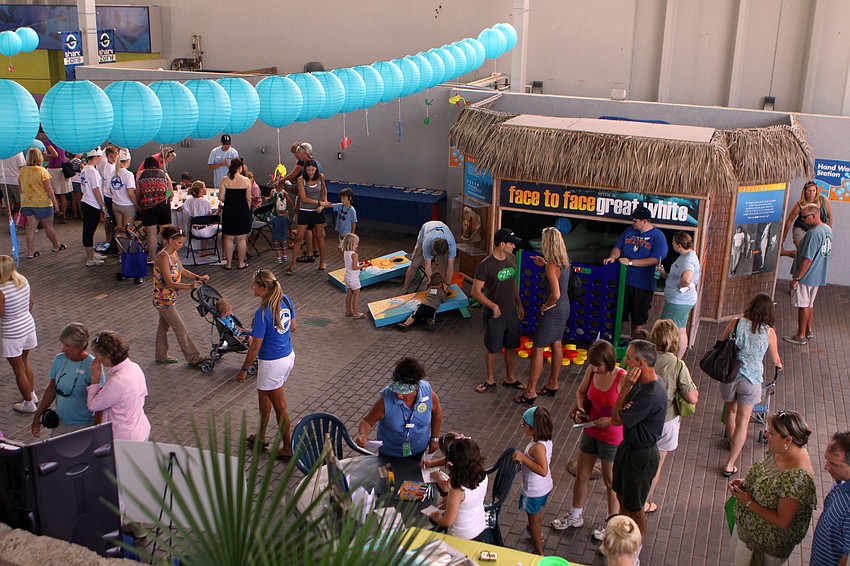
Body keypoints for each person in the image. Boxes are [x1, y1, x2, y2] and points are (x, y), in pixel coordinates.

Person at [552, 340, 625, 541]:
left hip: (612, 436)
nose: (594, 368)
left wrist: (610, 420)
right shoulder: (592, 372)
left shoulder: (622, 377)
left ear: (609, 361)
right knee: (582, 475)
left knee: (611, 482)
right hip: (591, 430)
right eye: (592, 364)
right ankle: (575, 515)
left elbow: (630, 410)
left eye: (598, 365)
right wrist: (580, 408)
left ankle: (611, 522)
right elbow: (581, 392)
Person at [727, 411, 816, 566]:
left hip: (763, 545)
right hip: (748, 530)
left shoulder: (797, 479)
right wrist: (746, 482)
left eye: (771, 433)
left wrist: (748, 502)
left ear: (788, 439)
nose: (766, 434)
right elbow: (766, 473)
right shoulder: (780, 450)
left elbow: (783, 521)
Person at [610, 339, 667, 552]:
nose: (625, 362)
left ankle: (635, 550)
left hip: (642, 456)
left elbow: (617, 418)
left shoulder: (650, 393)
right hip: (628, 448)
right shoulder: (642, 384)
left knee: (635, 508)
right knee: (621, 496)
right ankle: (625, 538)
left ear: (641, 363)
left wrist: (625, 388)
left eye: (629, 359)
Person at [721, 293, 783, 477]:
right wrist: (779, 364)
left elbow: (723, 341)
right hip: (752, 380)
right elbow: (775, 358)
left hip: (730, 375)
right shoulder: (769, 332)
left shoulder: (736, 322)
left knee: (730, 411)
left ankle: (733, 442)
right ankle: (730, 463)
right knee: (743, 421)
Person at [238, 269, 296, 460]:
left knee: (280, 406)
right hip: (287, 355)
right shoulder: (285, 299)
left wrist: (244, 370)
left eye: (253, 285)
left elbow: (255, 348)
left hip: (272, 363)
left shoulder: (262, 312)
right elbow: (292, 327)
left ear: (262, 289)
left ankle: (287, 447)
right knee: (264, 395)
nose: (251, 288)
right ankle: (261, 436)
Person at [643, 319, 699, 513]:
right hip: (666, 423)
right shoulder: (678, 365)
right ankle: (644, 503)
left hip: (641, 420)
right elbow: (692, 398)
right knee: (655, 466)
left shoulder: (644, 358)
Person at [355, 357, 443, 460]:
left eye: (404, 392)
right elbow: (367, 421)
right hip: (390, 455)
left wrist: (434, 438)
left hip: (419, 450)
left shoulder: (427, 393)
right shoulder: (385, 400)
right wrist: (363, 434)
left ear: (415, 387)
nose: (399, 395)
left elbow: (437, 413)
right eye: (396, 390)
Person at [472, 228, 525, 394]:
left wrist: (519, 304)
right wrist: (493, 306)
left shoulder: (511, 258)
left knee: (511, 346)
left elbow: (512, 282)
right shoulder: (485, 265)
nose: (514, 247)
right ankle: (490, 380)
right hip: (495, 314)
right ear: (502, 244)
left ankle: (510, 378)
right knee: (493, 348)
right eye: (511, 243)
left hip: (510, 312)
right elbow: (475, 292)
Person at [603, 206, 668, 338]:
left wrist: (631, 262)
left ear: (644, 221)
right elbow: (617, 247)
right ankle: (612, 340)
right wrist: (613, 257)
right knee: (617, 313)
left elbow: (655, 259)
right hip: (623, 282)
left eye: (635, 220)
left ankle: (635, 343)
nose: (632, 223)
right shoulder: (629, 231)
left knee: (638, 318)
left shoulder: (658, 236)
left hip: (643, 286)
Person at [523, 227, 572, 400]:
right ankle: (553, 383)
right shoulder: (564, 261)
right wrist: (543, 264)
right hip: (565, 307)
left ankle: (530, 391)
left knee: (537, 349)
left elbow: (555, 294)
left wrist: (546, 306)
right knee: (556, 343)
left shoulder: (552, 265)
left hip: (554, 309)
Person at [31, 323, 105, 438]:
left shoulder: (93, 367)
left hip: (83, 427)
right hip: (60, 423)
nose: (63, 349)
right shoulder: (59, 359)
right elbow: (52, 388)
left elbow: (100, 402)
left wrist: (95, 430)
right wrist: (38, 415)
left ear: (82, 347)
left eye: (68, 347)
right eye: (63, 345)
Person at [152, 226, 210, 366]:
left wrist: (198, 277)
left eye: (182, 242)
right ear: (171, 240)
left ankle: (161, 355)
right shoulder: (163, 257)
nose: (181, 245)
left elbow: (181, 269)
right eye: (179, 242)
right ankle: (193, 357)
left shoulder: (173, 253)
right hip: (163, 300)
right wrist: (190, 286)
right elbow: (169, 282)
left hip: (170, 298)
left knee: (163, 326)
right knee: (180, 327)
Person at [86, 331, 151, 442]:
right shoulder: (135, 367)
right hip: (141, 429)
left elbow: (93, 405)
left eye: (97, 355)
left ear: (107, 356)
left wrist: (95, 380)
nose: (97, 359)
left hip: (124, 439)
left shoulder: (117, 382)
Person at [784, 202, 832, 345]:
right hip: (818, 274)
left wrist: (797, 278)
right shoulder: (827, 229)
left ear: (814, 216)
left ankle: (800, 335)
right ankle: (808, 330)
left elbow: (807, 260)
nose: (802, 220)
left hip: (807, 276)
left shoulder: (813, 234)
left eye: (804, 217)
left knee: (803, 305)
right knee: (810, 304)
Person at [0, 255, 39, 413]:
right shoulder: (23, 280)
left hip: (11, 333)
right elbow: (31, 303)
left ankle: (29, 403)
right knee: (25, 361)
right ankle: (31, 394)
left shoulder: (1, 289)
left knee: (18, 369)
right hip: (28, 327)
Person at [429, 436, 489, 541]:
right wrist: (453, 502)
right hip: (480, 528)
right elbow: (476, 498)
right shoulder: (483, 476)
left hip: (460, 537)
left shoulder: (457, 489)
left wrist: (436, 517)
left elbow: (448, 521)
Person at [514, 406, 553, 556]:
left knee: (533, 519)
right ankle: (536, 532)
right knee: (536, 514)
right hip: (544, 487)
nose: (523, 427)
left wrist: (523, 459)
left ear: (534, 428)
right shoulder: (545, 440)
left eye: (524, 425)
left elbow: (542, 470)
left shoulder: (537, 447)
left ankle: (539, 552)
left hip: (534, 490)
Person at [810, 431, 850, 566]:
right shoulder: (841, 482)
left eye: (834, 464)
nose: (826, 467)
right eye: (827, 460)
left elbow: (847, 556)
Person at [659, 231, 701, 357]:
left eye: (673, 242)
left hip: (679, 301)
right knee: (681, 329)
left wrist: (681, 285)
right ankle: (677, 359)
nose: (672, 244)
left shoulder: (688, 260)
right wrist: (665, 275)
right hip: (680, 300)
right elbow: (679, 276)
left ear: (678, 245)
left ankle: (674, 358)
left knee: (670, 329)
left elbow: (687, 278)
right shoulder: (686, 256)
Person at [17, 147, 64, 258]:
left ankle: (30, 252)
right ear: (39, 157)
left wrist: (22, 201)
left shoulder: (22, 171)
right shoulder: (42, 171)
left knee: (31, 228)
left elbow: (20, 188)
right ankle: (56, 245)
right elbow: (49, 189)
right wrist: (55, 203)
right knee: (48, 226)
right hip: (42, 202)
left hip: (27, 202)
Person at [286, 159, 330, 274]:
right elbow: (304, 198)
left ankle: (322, 261)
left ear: (316, 169)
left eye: (312, 170)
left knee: (319, 237)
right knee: (299, 238)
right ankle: (293, 264)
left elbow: (324, 190)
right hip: (305, 211)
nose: (310, 172)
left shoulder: (321, 177)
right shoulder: (301, 180)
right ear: (305, 169)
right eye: (308, 170)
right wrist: (319, 203)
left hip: (317, 212)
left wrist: (324, 202)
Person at [402, 220, 457, 294]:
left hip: (443, 230)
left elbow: (450, 266)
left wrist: (447, 284)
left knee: (443, 267)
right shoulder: (427, 242)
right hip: (427, 229)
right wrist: (431, 282)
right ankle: (405, 289)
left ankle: (440, 289)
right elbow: (427, 265)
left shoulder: (451, 243)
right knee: (414, 265)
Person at [781, 180, 833, 255]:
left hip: (817, 230)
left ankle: (785, 253)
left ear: (816, 191)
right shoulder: (800, 204)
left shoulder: (823, 200)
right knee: (804, 253)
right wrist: (782, 240)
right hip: (801, 229)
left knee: (814, 255)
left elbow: (830, 217)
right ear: (805, 191)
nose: (811, 193)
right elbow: (789, 221)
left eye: (813, 191)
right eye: (809, 191)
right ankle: (784, 253)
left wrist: (828, 234)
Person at [137, 156, 173, 262]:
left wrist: (140, 204)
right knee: (165, 233)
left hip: (147, 207)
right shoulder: (164, 174)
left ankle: (152, 258)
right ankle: (167, 258)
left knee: (151, 235)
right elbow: (170, 191)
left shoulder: (140, 175)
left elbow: (139, 193)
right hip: (163, 205)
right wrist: (166, 199)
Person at [219, 158, 253, 270]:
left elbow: (221, 197)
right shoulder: (246, 180)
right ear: (240, 167)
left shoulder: (225, 180)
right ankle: (241, 263)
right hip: (242, 211)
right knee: (241, 238)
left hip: (229, 211)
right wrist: (247, 211)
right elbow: (248, 199)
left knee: (228, 238)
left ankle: (228, 264)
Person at [79, 147, 108, 267]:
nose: (101, 159)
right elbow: (96, 190)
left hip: (86, 201)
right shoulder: (92, 171)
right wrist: (103, 206)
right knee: (89, 231)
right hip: (92, 203)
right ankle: (90, 258)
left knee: (89, 230)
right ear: (95, 157)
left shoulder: (85, 169)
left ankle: (91, 253)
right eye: (100, 157)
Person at [341, 233, 369, 319]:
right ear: (353, 244)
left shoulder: (346, 252)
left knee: (349, 293)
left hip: (347, 276)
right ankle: (356, 313)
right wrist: (362, 266)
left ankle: (348, 311)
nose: (358, 245)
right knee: (356, 294)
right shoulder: (354, 255)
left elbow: (351, 265)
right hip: (353, 278)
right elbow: (355, 267)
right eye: (357, 244)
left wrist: (358, 264)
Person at [109, 148, 137, 231]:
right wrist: (136, 204)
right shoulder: (128, 174)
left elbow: (110, 190)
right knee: (127, 231)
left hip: (116, 204)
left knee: (119, 230)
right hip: (127, 205)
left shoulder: (112, 173)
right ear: (128, 160)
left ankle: (119, 244)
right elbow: (130, 193)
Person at [269, 180, 294, 264]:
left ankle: (289, 233)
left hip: (283, 211)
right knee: (276, 224)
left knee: (285, 223)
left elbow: (289, 200)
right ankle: (284, 255)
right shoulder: (273, 191)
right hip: (274, 210)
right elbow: (271, 199)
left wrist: (294, 208)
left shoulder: (284, 193)